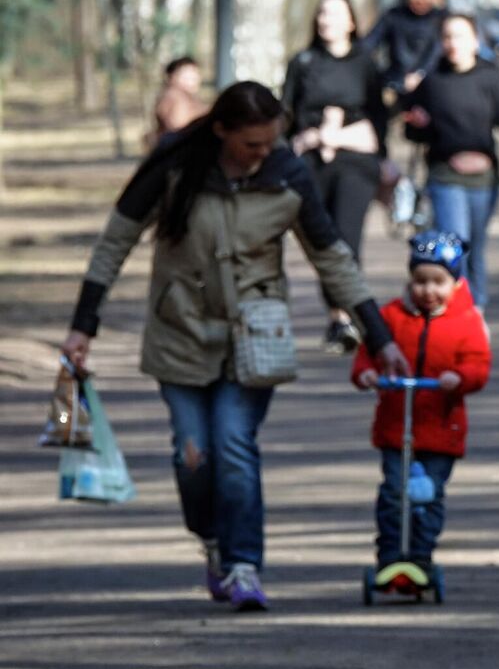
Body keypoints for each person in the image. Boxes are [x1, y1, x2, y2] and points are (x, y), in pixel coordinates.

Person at [61, 82, 408, 611]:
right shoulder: (176, 167)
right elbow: (115, 242)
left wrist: (378, 336)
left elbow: (332, 258)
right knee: (192, 455)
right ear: (221, 130)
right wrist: (84, 324)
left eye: (270, 142)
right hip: (180, 332)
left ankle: (245, 565)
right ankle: (214, 542)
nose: (262, 153)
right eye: (251, 144)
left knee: (234, 444)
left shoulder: (286, 175)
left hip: (254, 337)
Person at [352, 231, 491, 584]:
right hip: (397, 426)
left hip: (441, 429)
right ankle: (389, 557)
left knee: (427, 498)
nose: (428, 291)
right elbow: (369, 351)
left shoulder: (466, 321)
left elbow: (478, 364)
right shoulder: (392, 317)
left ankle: (420, 556)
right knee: (393, 495)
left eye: (438, 282)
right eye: (420, 281)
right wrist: (367, 373)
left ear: (456, 282)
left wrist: (458, 378)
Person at [400, 12, 499, 311]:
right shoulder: (432, 82)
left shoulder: (490, 78)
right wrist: (416, 122)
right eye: (448, 37)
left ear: (475, 41)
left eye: (460, 36)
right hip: (445, 175)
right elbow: (413, 129)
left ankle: (476, 308)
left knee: (475, 247)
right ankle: (459, 309)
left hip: (485, 179)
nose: (454, 44)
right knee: (456, 243)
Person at [284, 0, 388, 356]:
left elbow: (379, 115)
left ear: (352, 22)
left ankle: (348, 315)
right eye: (322, 13)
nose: (327, 20)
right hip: (311, 162)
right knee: (321, 241)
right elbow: (286, 112)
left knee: (345, 240)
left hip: (355, 162)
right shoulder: (303, 61)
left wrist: (384, 161)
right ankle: (336, 315)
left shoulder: (366, 63)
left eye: (336, 14)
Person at [366, 0, 448, 96]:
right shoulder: (393, 16)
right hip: (397, 83)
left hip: (434, 85)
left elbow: (438, 49)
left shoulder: (442, 18)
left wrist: (420, 73)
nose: (420, 0)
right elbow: (369, 44)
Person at [148, 56, 205, 148]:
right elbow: (178, 129)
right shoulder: (175, 97)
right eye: (187, 75)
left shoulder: (188, 97)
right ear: (172, 77)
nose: (193, 79)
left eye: (195, 73)